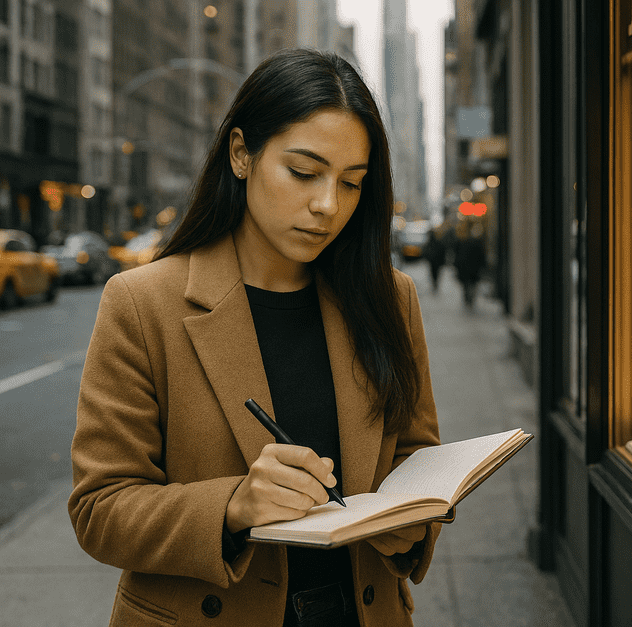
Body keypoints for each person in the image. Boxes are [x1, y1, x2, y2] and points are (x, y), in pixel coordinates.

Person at [68, 49, 441, 627]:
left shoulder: (387, 297)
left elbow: (416, 455)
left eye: (351, 183)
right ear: (242, 154)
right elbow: (100, 507)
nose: (327, 205)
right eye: (303, 172)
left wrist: (410, 526)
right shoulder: (143, 304)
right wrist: (234, 506)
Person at [453, 218, 486, 307]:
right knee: (471, 283)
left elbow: (457, 255)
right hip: (472, 267)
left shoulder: (462, 240)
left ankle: (468, 298)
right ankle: (470, 299)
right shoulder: (475, 240)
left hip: (466, 267)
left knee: (467, 284)